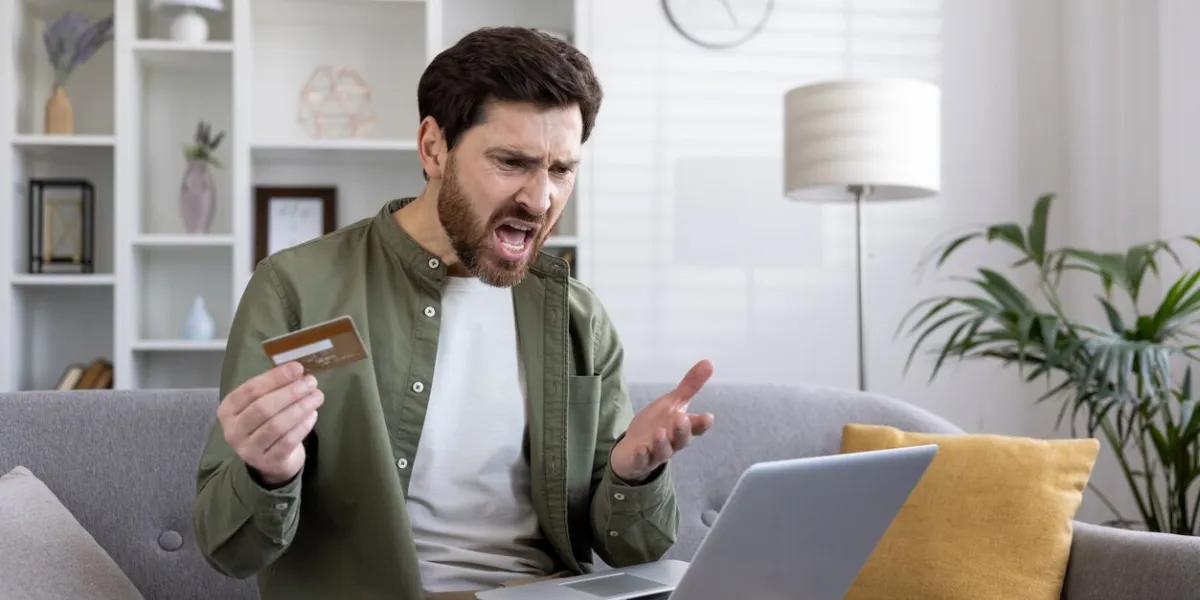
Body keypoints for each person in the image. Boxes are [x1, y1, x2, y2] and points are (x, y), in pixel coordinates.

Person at [192, 26, 716, 600]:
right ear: (433, 147)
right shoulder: (294, 288)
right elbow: (229, 549)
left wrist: (632, 473)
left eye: (561, 170)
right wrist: (269, 473)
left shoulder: (578, 317)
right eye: (512, 162)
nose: (541, 199)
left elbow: (633, 551)